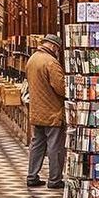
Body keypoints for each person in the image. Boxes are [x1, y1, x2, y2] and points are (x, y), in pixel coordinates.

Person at [26, 33, 66, 189]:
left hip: (36, 109)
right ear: (53, 46)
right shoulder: (51, 62)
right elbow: (61, 87)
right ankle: (55, 179)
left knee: (37, 144)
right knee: (55, 146)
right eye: (57, 49)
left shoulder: (32, 59)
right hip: (52, 111)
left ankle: (32, 175)